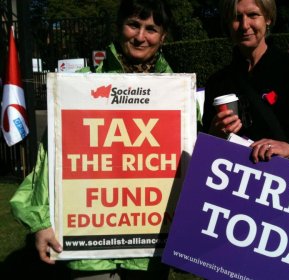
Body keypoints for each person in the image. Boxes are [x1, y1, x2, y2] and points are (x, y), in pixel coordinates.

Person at [10, 0, 173, 279]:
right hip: (88, 254)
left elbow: (186, 168)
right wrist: (40, 224)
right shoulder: (80, 86)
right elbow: (50, 161)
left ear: (163, 37)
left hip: (150, 252)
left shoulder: (176, 93)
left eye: (151, 29)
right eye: (133, 25)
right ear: (119, 26)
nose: (140, 36)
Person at [202, 0, 289, 167]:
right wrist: (213, 135)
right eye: (236, 17)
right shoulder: (217, 82)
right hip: (234, 183)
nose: (245, 25)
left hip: (283, 183)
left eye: (253, 15)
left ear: (268, 18)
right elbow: (206, 149)